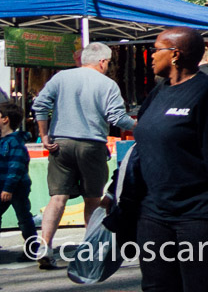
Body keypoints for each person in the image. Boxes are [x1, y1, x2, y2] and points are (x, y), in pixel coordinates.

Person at [132, 26, 208, 292]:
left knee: (202, 287)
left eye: (156, 49)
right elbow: (142, 147)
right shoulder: (158, 93)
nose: (151, 55)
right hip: (154, 213)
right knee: (156, 287)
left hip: (200, 213)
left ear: (175, 55)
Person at [31, 40, 137, 266]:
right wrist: (140, 125)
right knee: (92, 199)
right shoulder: (108, 85)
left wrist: (45, 136)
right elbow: (117, 118)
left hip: (61, 143)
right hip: (92, 146)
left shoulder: (60, 78)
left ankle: (44, 246)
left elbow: (40, 105)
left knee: (57, 198)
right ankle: (90, 250)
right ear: (102, 62)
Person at [0, 98, 39, 260]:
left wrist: (8, 188)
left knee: (23, 217)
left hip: (15, 188)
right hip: (4, 187)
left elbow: (16, 166)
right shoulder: (4, 141)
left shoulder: (14, 142)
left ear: (5, 119)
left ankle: (32, 248)